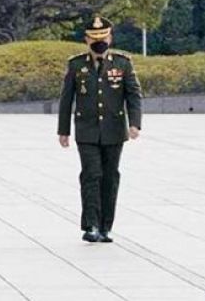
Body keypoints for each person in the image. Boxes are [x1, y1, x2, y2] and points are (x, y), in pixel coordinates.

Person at [58, 16, 142, 243]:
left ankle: (106, 226)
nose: (99, 42)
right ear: (86, 39)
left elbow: (133, 94)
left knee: (110, 177)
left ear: (110, 37)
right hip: (86, 130)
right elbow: (66, 99)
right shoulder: (76, 65)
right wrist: (63, 130)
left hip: (114, 130)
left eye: (103, 38)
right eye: (94, 39)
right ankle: (91, 225)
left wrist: (135, 123)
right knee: (91, 174)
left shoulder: (123, 63)